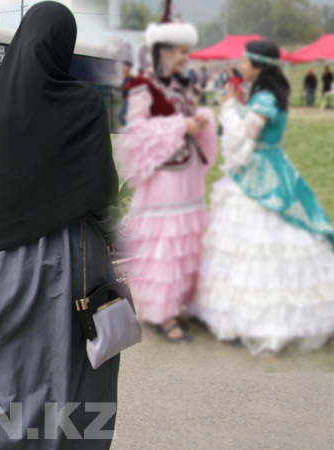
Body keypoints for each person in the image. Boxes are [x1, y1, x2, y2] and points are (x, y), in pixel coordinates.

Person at [0, 2, 120, 448]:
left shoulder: (0, 107)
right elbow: (103, 193)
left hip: (7, 266)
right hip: (78, 262)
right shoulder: (85, 105)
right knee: (75, 376)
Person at [190, 40, 334, 356]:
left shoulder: (266, 99)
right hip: (268, 169)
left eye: (244, 60)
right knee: (249, 246)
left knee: (261, 245)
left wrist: (228, 107)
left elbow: (243, 139)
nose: (240, 64)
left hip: (262, 176)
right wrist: (237, 104)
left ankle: (266, 323)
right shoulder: (265, 96)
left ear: (258, 65)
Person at [116, 0, 218, 343]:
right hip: (163, 183)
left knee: (184, 246)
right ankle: (165, 313)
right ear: (163, 51)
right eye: (180, 52)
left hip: (186, 181)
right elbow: (137, 134)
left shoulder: (185, 87)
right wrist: (180, 126)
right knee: (164, 249)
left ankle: (173, 306)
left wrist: (202, 123)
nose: (185, 58)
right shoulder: (144, 87)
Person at [118, 61, 135, 126]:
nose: (123, 68)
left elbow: (129, 87)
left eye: (124, 66)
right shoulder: (126, 78)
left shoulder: (131, 78)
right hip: (125, 101)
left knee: (120, 115)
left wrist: (123, 88)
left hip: (128, 101)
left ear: (128, 67)